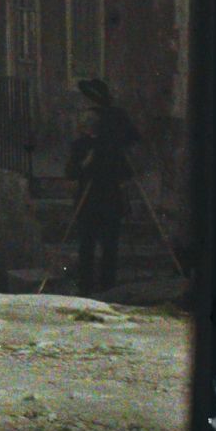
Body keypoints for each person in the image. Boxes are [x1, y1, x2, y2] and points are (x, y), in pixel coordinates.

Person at [65, 78, 141, 295]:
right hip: (89, 199)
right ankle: (86, 287)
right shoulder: (81, 145)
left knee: (109, 245)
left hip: (109, 196)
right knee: (87, 245)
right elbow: (72, 171)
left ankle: (108, 286)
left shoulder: (114, 125)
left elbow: (127, 169)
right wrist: (86, 163)